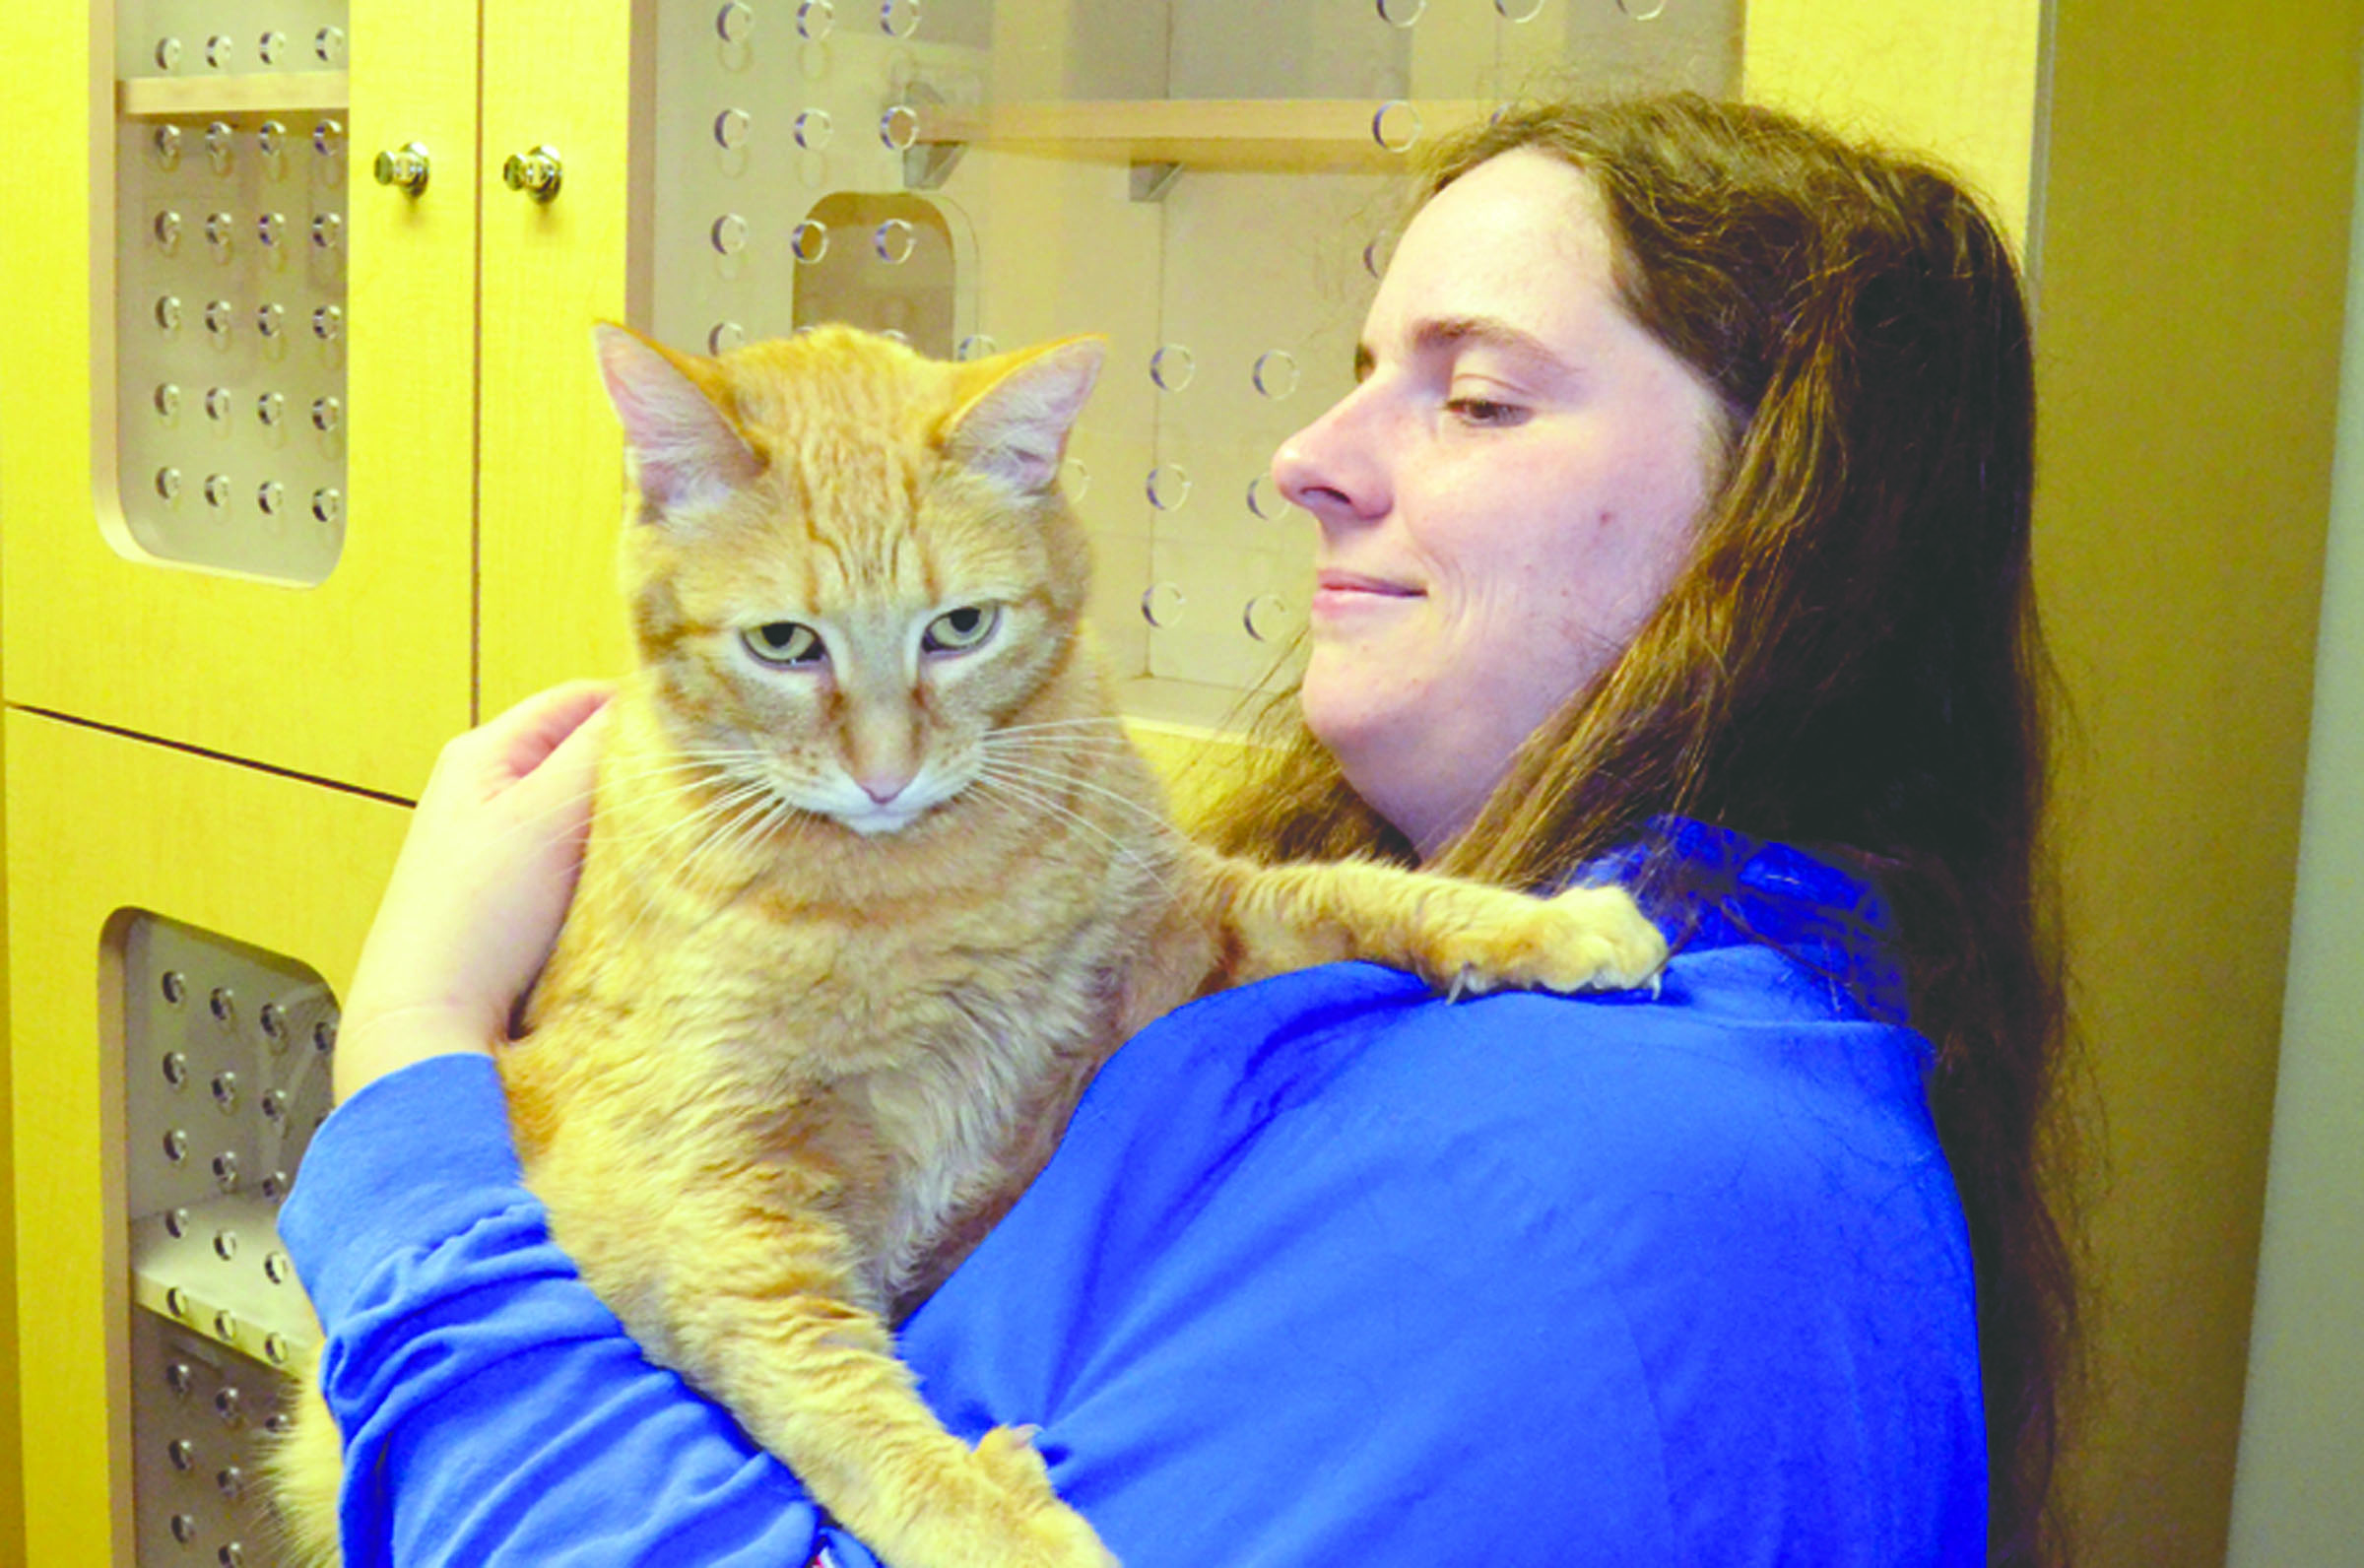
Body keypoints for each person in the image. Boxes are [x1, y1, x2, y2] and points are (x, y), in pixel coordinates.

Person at [284, 93, 2073, 1568]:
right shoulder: (1678, 991)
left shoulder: (1586, 1191)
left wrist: (407, 1084)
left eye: (1476, 393)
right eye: (1357, 364)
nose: (1304, 454)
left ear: (1787, 510)